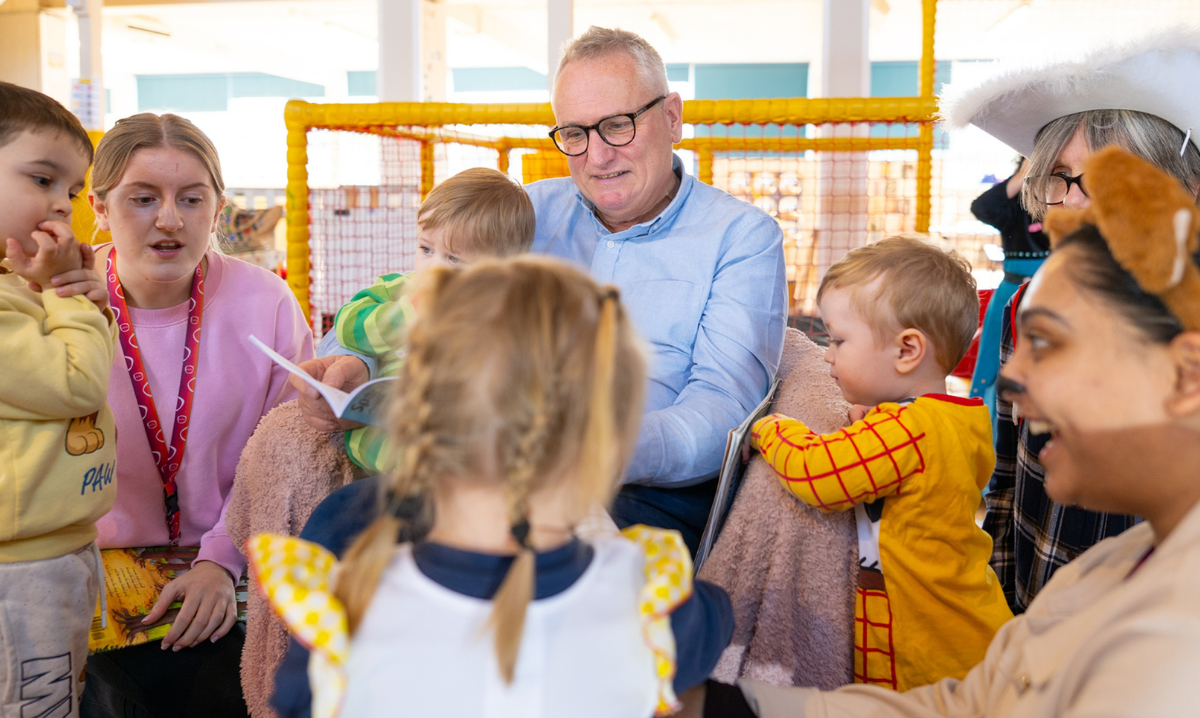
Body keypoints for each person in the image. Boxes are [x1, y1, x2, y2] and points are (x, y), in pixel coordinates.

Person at [737, 145, 1200, 718]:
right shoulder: (1111, 568)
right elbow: (971, 704)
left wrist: (769, 432)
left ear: (1185, 375)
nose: (1009, 382)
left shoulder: (1173, 638)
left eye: (1049, 344)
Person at [252, 257, 734, 717]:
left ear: (415, 429)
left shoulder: (343, 616)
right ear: (607, 448)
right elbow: (719, 623)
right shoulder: (656, 603)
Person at [941, 34, 1200, 612]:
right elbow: (1008, 479)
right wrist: (1007, 610)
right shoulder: (1029, 303)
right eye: (1059, 176)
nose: (1076, 203)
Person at [78, 113, 314, 718]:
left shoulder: (264, 301)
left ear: (217, 207)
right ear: (99, 207)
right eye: (142, 199)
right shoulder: (62, 309)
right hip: (91, 567)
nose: (169, 219)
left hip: (233, 558)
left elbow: (289, 461)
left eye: (190, 198)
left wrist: (220, 559)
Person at [530, 26, 788, 552]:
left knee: (539, 562)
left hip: (642, 494)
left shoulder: (742, 237)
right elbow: (418, 303)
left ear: (672, 117)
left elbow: (724, 407)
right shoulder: (527, 213)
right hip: (498, 470)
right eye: (575, 134)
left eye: (618, 126)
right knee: (350, 516)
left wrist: (605, 449)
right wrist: (358, 361)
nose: (597, 156)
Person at [748, 236, 1012, 692]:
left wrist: (767, 429)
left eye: (839, 340)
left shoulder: (910, 429)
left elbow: (818, 474)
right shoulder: (945, 418)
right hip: (944, 636)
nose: (827, 355)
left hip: (933, 653)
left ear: (907, 351)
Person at [0, 81, 116, 718]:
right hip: (21, 568)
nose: (60, 207)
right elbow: (76, 384)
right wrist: (70, 301)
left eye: (70, 191)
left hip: (56, 547)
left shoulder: (17, 288)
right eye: (42, 180)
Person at [297, 167, 535, 475]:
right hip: (379, 456)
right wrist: (407, 315)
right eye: (426, 249)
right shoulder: (398, 289)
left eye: (454, 260)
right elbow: (347, 324)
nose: (433, 270)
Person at [968, 158, 1049, 424]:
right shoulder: (1013, 202)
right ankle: (988, 436)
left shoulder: (1062, 200)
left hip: (1050, 294)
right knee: (994, 365)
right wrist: (1026, 171)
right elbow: (981, 207)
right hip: (1012, 291)